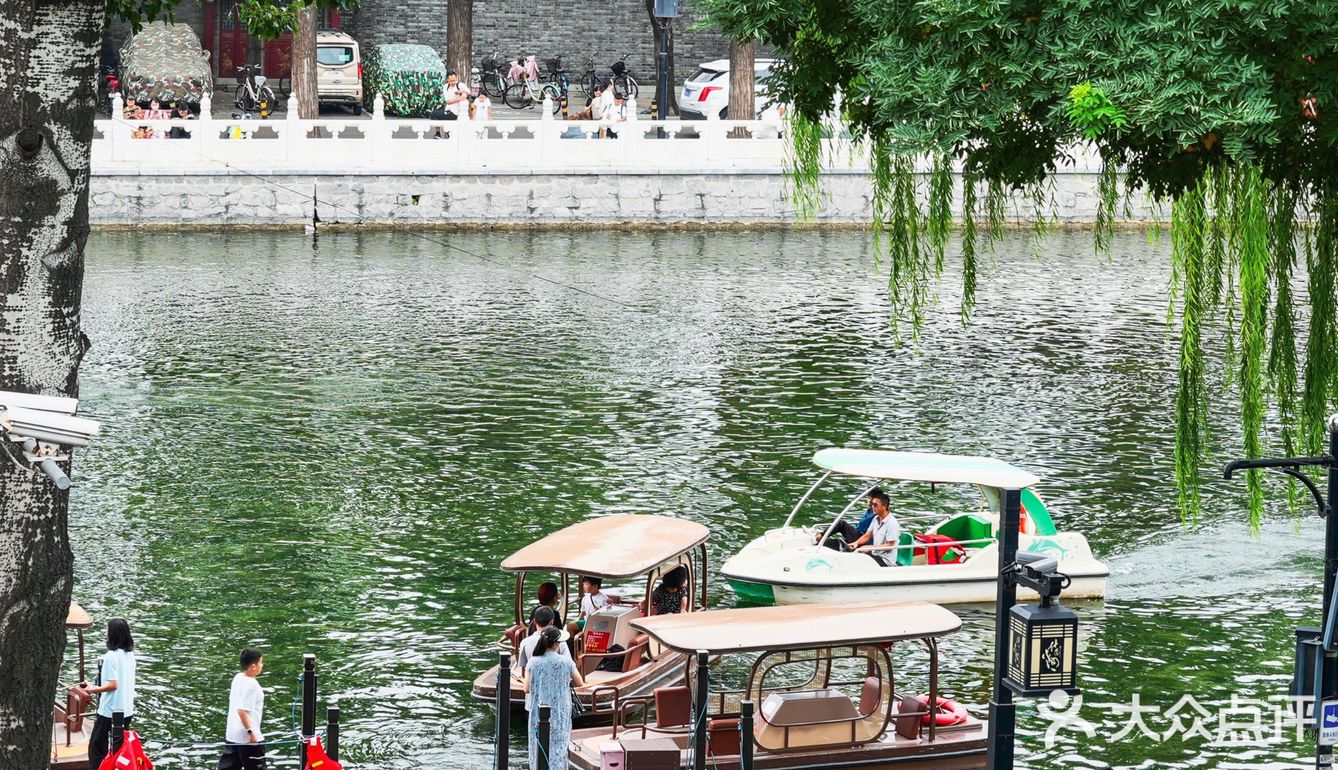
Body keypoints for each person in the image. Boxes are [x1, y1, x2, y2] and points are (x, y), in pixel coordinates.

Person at [524, 627, 583, 770]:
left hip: (538, 709)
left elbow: (526, 688)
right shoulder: (566, 662)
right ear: (557, 644)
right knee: (559, 744)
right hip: (560, 709)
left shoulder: (533, 661)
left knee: (538, 742)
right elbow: (579, 682)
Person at [83, 618, 136, 770]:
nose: (105, 633)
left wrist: (92, 689)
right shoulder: (130, 656)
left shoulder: (110, 656)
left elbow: (113, 685)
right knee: (118, 747)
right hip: (126, 710)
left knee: (96, 748)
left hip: (109, 710)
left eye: (107, 630)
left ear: (112, 634)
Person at [218, 648, 267, 770]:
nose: (262, 665)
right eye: (261, 662)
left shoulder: (238, 677)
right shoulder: (252, 685)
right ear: (253, 666)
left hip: (232, 736)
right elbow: (241, 710)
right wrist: (251, 733)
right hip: (247, 739)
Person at [515, 606, 571, 688]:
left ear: (534, 621)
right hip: (555, 686)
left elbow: (523, 667)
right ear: (552, 622)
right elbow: (569, 665)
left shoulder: (525, 642)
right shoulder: (560, 641)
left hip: (534, 687)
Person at [846, 488, 902, 566]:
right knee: (851, 553)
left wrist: (869, 547)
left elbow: (890, 545)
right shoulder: (875, 519)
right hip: (874, 554)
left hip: (885, 560)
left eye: (875, 505)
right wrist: (856, 543)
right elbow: (867, 536)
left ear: (885, 506)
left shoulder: (892, 523)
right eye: (872, 504)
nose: (872, 507)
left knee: (858, 560)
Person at [820, 487, 885, 550]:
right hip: (857, 536)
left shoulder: (877, 515)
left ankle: (820, 535)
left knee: (841, 524)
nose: (869, 501)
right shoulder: (869, 511)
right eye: (869, 498)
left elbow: (864, 531)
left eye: (872, 499)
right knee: (828, 543)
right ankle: (819, 542)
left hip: (864, 540)